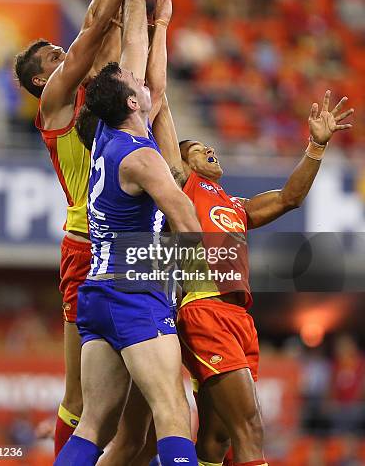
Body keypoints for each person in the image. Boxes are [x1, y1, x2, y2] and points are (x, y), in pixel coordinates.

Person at [14, 0, 160, 458]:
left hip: (128, 240)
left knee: (142, 397)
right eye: (53, 56)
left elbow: (106, 26)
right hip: (87, 246)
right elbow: (94, 28)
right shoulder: (55, 103)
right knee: (83, 400)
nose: (63, 51)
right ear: (40, 80)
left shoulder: (86, 95)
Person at [55, 0, 202, 466]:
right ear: (136, 103)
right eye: (140, 85)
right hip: (135, 290)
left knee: (94, 424)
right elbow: (187, 219)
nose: (147, 82)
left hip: (99, 291)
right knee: (173, 414)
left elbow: (133, 44)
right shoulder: (143, 158)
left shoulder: (112, 136)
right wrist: (206, 281)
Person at [152, 90, 354, 466]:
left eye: (209, 145)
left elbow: (289, 198)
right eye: (197, 148)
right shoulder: (182, 186)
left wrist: (316, 147)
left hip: (239, 318)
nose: (209, 149)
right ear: (180, 162)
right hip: (205, 310)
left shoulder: (235, 205)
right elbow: (163, 120)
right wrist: (157, 87)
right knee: (250, 428)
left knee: (218, 437)